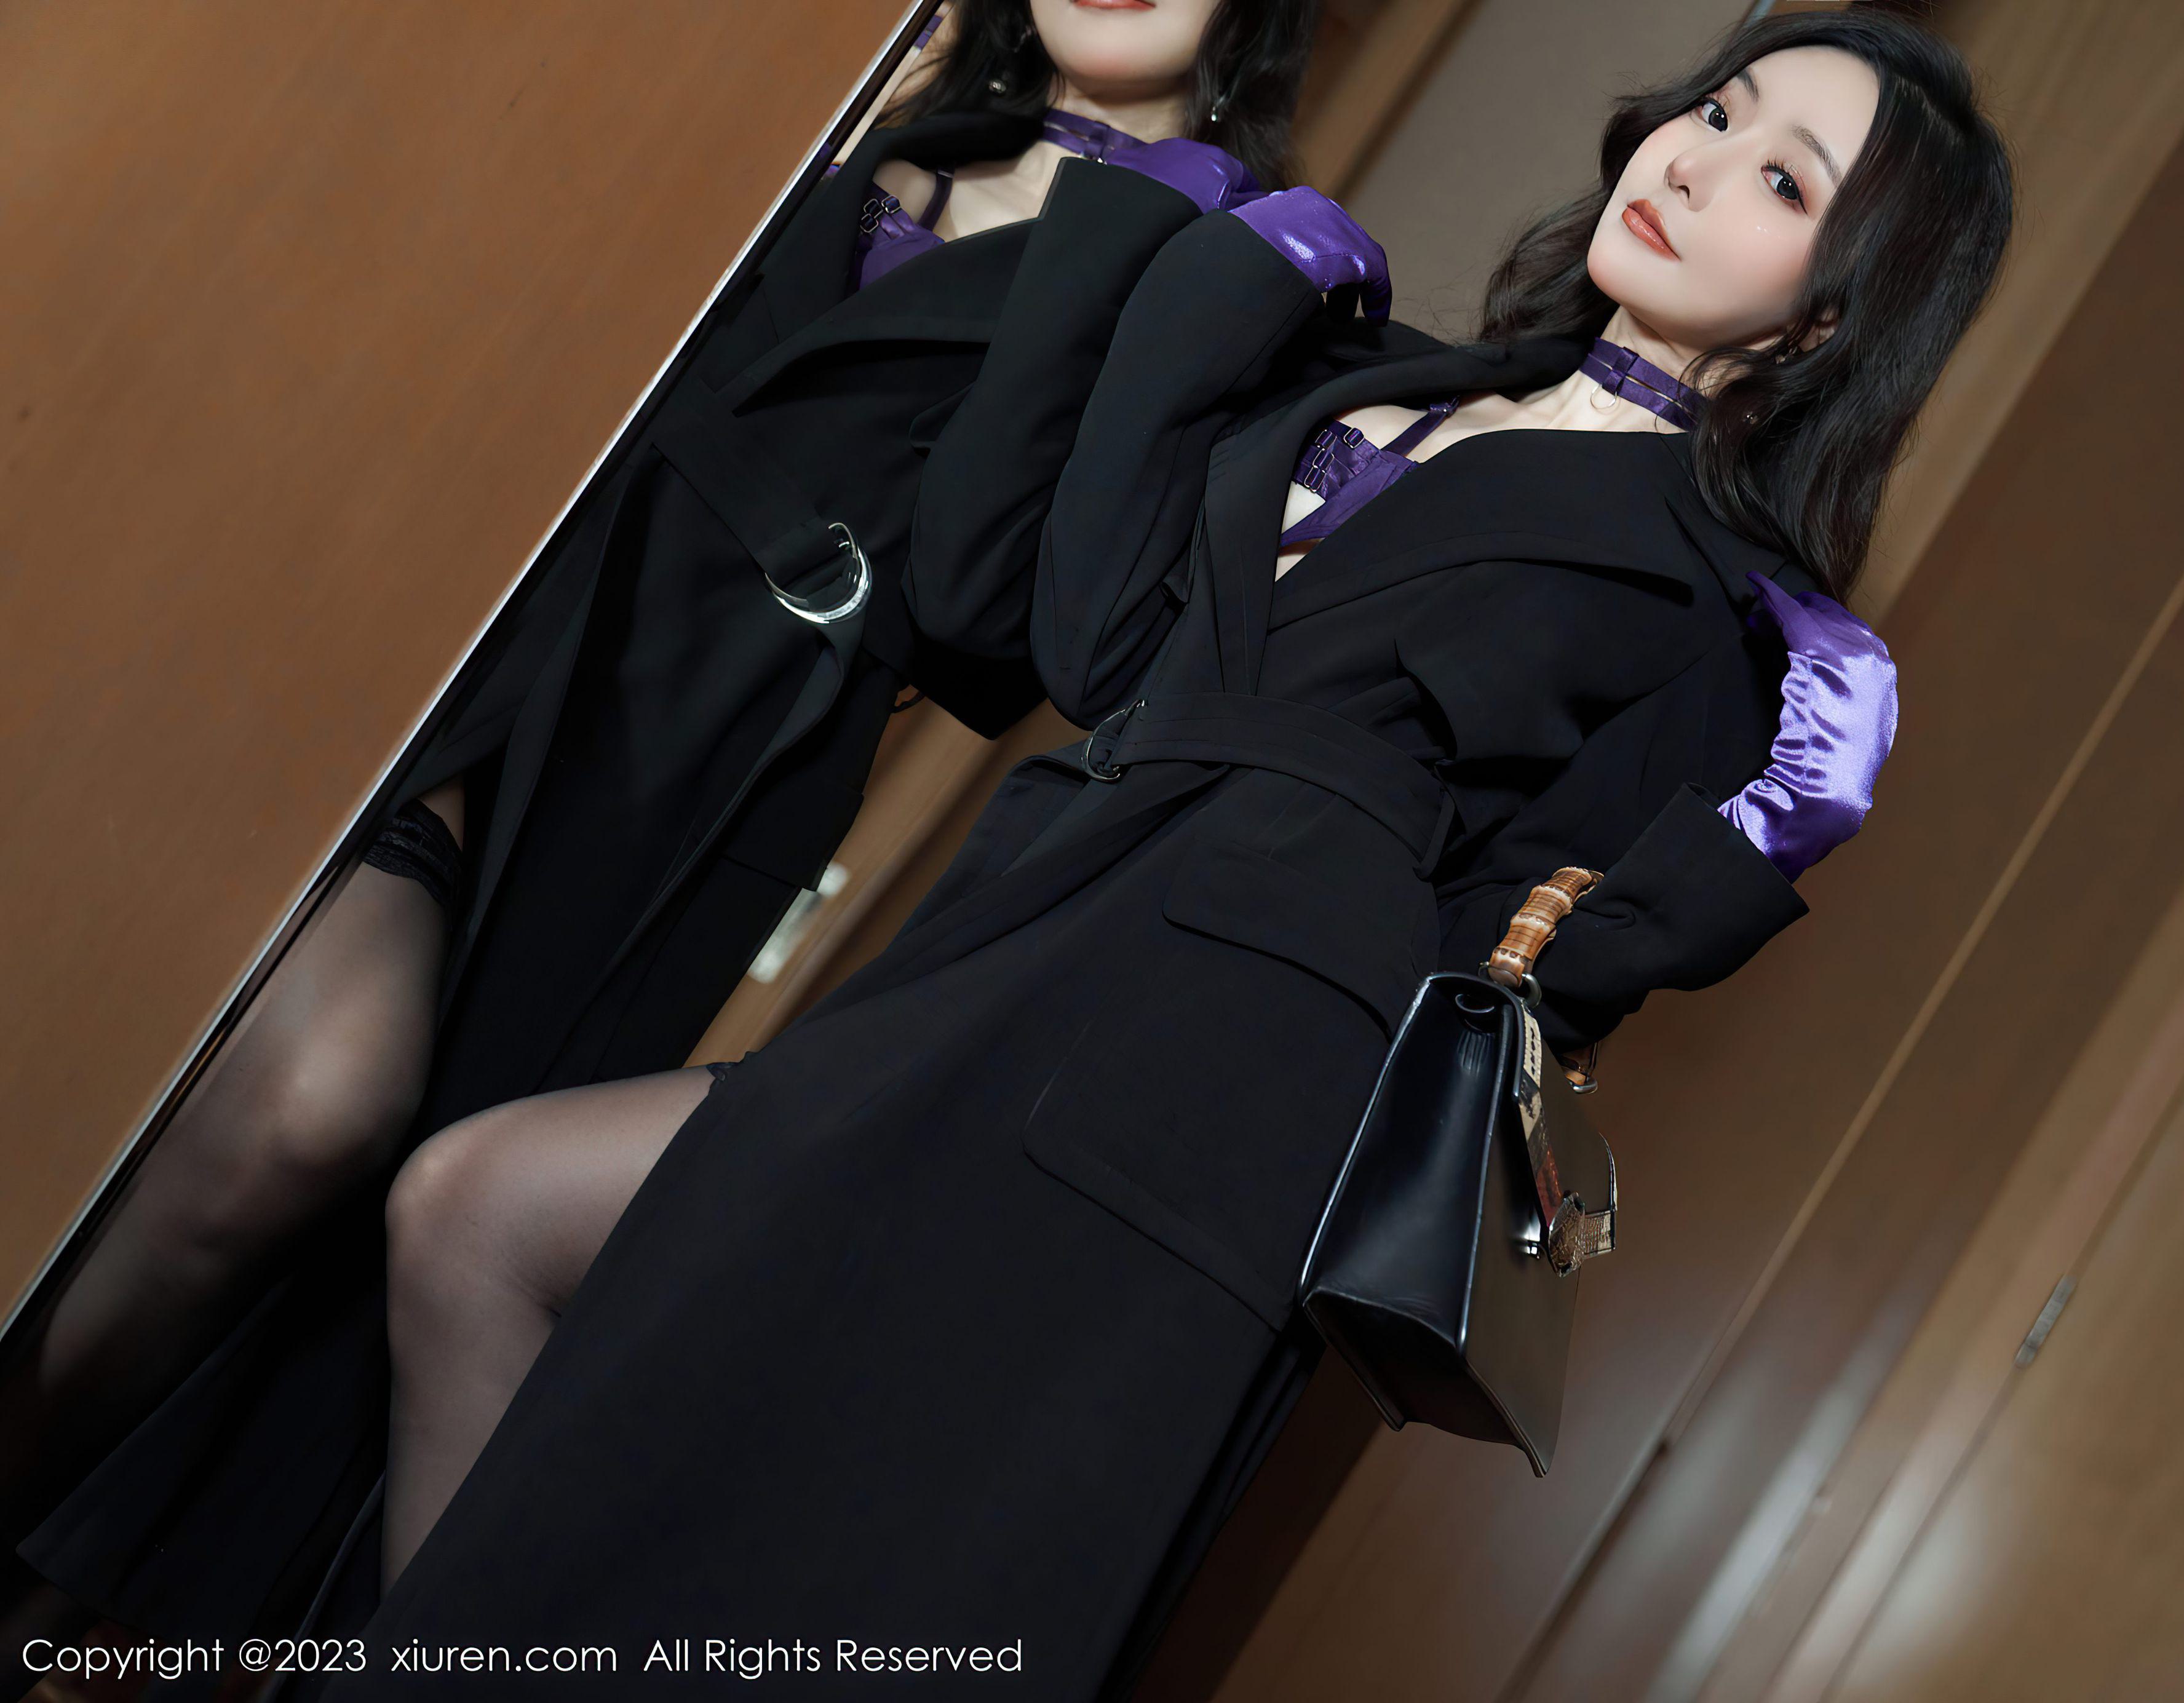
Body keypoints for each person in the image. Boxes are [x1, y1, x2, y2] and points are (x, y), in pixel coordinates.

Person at [349, 9, 2009, 1698]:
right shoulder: (1379, 382)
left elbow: (1525, 975)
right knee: (487, 1232)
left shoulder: (1718, 622)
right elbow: (1042, 619)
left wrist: (1746, 831)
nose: (1700, 164)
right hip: (1012, 964)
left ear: (1826, 318)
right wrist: (1205, 276)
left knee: (749, 1482)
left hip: (1195, 1123)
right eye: (1717, 111)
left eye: (1783, 179)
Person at [7, 0, 1320, 1659]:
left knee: (326, 1179)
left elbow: (1001, 628)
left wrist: (1127, 223)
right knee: (246, 1096)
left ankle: (67, 1611)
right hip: (495, 628)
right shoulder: (886, 105)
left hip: (685, 770)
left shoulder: (1217, 269)